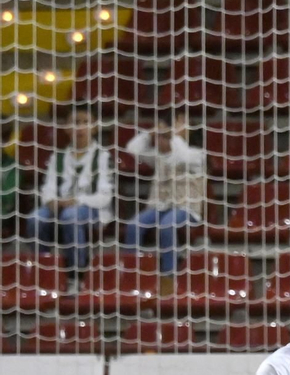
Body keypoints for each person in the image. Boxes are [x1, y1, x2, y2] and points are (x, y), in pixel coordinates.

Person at [31, 108, 113, 281]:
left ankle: (76, 273)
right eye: (76, 123)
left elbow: (105, 196)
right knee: (35, 219)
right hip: (61, 206)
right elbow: (48, 187)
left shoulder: (103, 156)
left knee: (71, 215)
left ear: (95, 127)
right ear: (67, 128)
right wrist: (51, 200)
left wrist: (77, 200)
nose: (80, 128)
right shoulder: (58, 157)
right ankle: (45, 270)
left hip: (92, 209)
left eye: (86, 122)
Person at [123, 114, 206, 274]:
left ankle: (170, 273)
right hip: (160, 207)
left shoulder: (196, 154)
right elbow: (132, 148)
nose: (159, 140)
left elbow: (181, 157)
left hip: (186, 208)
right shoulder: (158, 156)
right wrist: (150, 133)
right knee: (133, 225)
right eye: (159, 136)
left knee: (167, 224)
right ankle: (131, 272)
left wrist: (176, 135)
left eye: (164, 136)